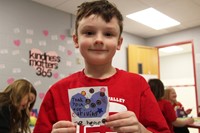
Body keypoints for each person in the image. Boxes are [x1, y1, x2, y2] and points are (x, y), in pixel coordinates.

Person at [33, 0, 171, 133]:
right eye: (89, 32)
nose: (99, 40)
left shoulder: (138, 85)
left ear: (119, 43)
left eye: (108, 34)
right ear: (76, 40)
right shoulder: (57, 91)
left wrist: (141, 131)